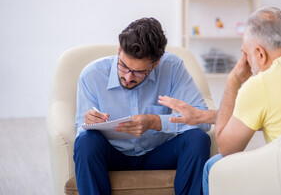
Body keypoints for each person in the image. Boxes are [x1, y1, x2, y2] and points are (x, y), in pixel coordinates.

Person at [158, 7, 281, 195]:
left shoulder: (261, 84)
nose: (244, 61)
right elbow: (277, 116)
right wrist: (203, 116)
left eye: (245, 53)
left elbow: (226, 148)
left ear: (260, 54)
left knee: (213, 166)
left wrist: (233, 81)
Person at [74, 17, 211, 195]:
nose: (128, 77)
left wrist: (156, 122)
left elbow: (203, 120)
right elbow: (80, 132)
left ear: (155, 64)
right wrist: (89, 123)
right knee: (86, 141)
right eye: (123, 66)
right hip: (113, 154)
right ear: (118, 51)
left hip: (158, 153)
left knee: (197, 139)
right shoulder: (92, 75)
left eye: (139, 72)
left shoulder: (172, 67)